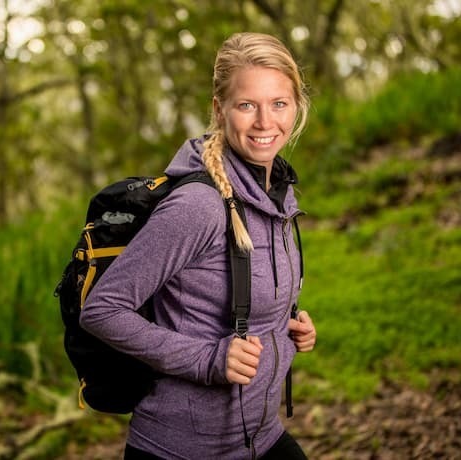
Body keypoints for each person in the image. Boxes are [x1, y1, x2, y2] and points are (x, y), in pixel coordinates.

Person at [79, 32, 317, 460]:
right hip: (182, 449)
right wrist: (210, 359)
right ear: (219, 109)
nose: (266, 121)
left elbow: (227, 293)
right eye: (247, 105)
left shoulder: (277, 192)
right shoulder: (199, 206)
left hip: (260, 436)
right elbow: (101, 310)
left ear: (296, 106)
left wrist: (286, 322)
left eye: (279, 103)